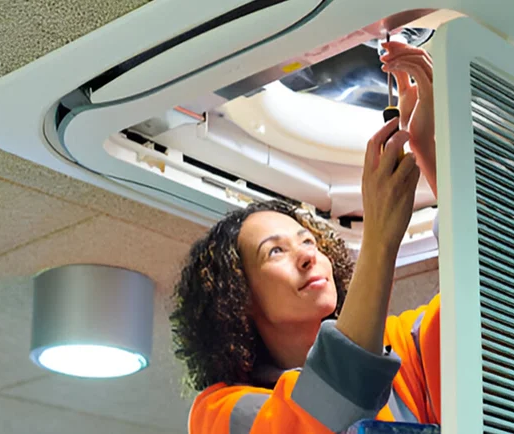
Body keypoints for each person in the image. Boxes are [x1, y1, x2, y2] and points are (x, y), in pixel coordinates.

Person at [170, 41, 441, 434]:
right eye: (275, 251)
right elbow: (328, 407)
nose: (307, 256)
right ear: (238, 299)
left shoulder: (401, 345)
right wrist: (380, 236)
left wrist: (432, 155)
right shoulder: (220, 415)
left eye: (308, 241)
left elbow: (497, 307)